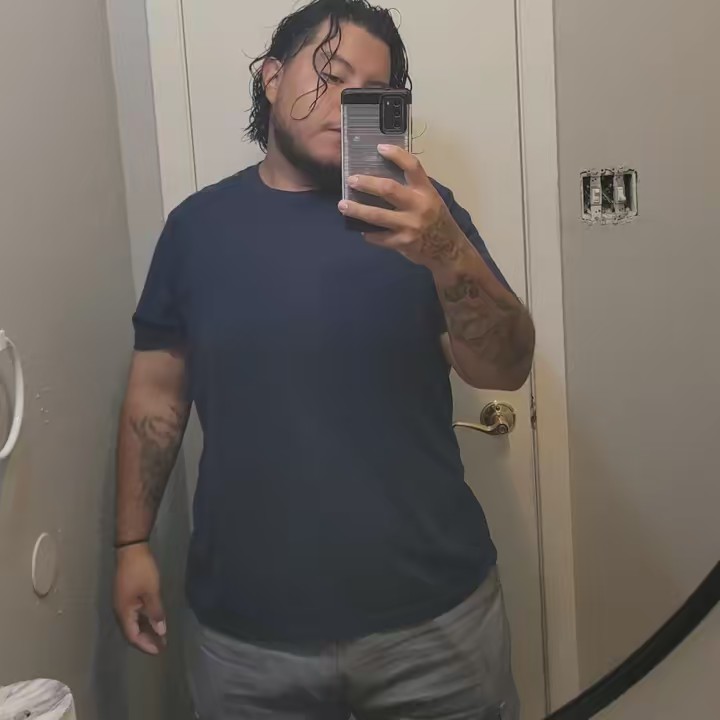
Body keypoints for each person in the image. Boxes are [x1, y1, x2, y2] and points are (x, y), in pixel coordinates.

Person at [113, 1, 535, 718]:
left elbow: (505, 369)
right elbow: (156, 395)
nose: (347, 104)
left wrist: (444, 248)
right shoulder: (196, 230)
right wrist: (131, 543)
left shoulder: (424, 218)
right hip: (246, 639)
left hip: (434, 625)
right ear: (272, 77)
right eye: (331, 75)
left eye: (372, 92)